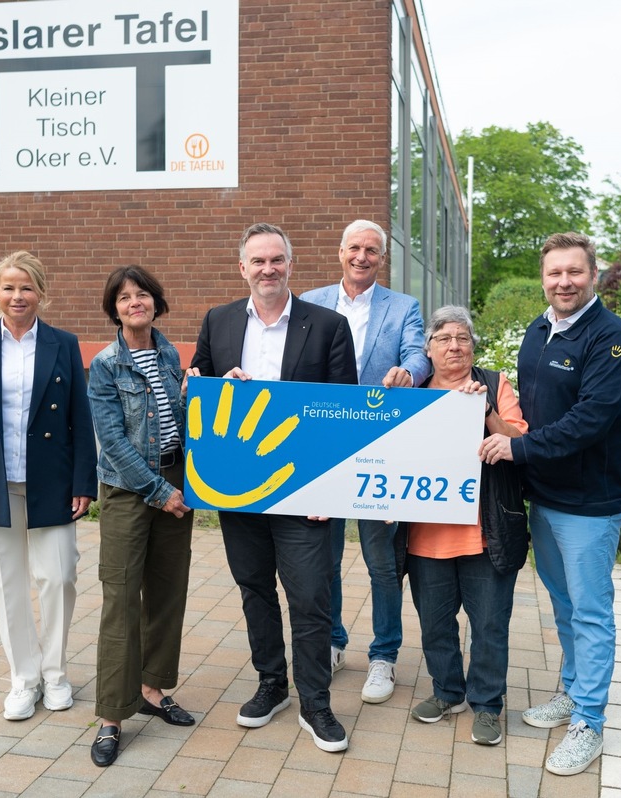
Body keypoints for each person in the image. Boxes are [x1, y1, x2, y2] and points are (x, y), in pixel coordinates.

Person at [187, 222, 358, 753]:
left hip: (303, 492)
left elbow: (343, 416)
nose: (267, 269)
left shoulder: (328, 325)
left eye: (276, 260)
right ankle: (272, 684)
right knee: (255, 589)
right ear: (242, 268)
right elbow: (198, 387)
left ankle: (316, 702)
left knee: (309, 596)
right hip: (240, 489)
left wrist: (327, 494)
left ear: (291, 264)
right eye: (257, 261)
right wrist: (210, 385)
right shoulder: (217, 322)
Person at [478, 232, 621, 775]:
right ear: (543, 278)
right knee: (565, 605)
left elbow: (590, 421)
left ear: (594, 274)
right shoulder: (539, 330)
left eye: (574, 272)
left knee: (591, 611)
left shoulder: (612, 339)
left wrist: (517, 448)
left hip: (590, 503)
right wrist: (486, 416)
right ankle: (574, 693)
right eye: (554, 274)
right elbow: (532, 414)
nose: (563, 282)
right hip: (543, 495)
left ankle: (591, 722)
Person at [0, 250, 96, 722]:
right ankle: (24, 679)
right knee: (8, 584)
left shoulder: (63, 344)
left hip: (51, 480)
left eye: (26, 287)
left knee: (59, 576)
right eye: (8, 287)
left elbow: (78, 418)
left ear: (41, 293)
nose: (17, 296)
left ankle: (55, 672)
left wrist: (83, 480)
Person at [300, 219, 430, 704]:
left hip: (380, 446)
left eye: (371, 250)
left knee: (380, 561)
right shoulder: (310, 301)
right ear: (340, 253)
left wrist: (410, 373)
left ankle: (385, 655)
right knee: (324, 557)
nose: (361, 257)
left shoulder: (404, 307)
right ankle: (333, 641)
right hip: (321, 446)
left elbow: (418, 353)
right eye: (354, 248)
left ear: (381, 258)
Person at [85, 266, 196, 767]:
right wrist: (157, 491)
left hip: (176, 484)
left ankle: (152, 690)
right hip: (132, 491)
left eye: (143, 294)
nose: (136, 302)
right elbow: (112, 441)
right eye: (125, 297)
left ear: (156, 301)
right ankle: (111, 716)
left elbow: (183, 417)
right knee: (122, 597)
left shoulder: (172, 354)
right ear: (114, 309)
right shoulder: (106, 364)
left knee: (168, 592)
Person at [405, 305, 528, 746]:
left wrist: (487, 411)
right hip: (424, 535)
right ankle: (447, 692)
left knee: (489, 625)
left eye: (462, 338)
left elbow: (519, 443)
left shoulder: (494, 384)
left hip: (484, 534)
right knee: (435, 623)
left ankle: (488, 705)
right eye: (444, 338)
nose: (454, 346)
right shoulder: (412, 390)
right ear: (429, 349)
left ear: (473, 345)